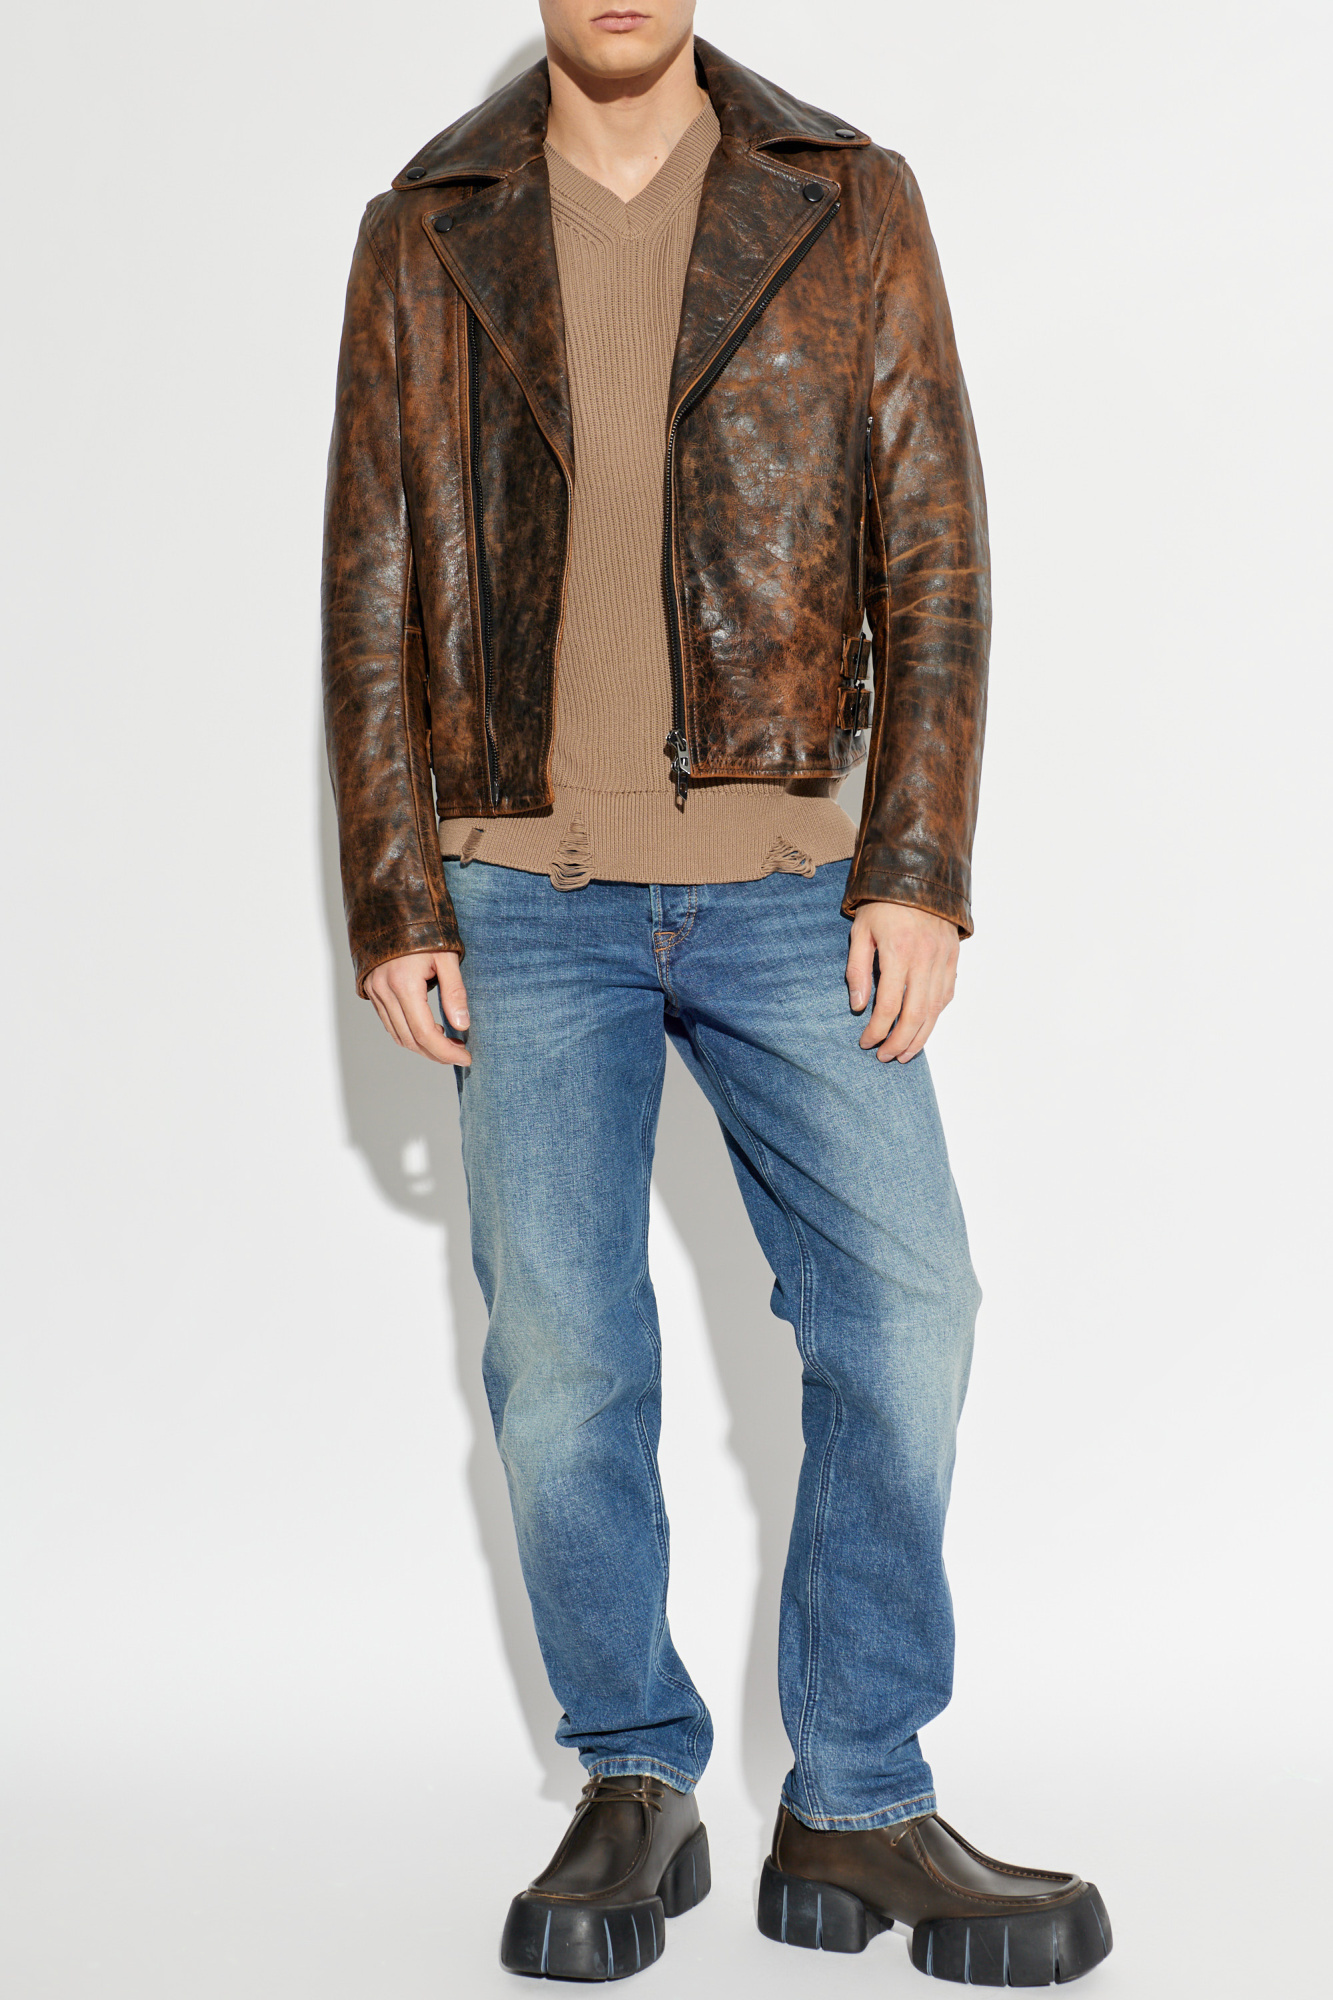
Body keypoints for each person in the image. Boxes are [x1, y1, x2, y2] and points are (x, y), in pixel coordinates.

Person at [321, 2, 1112, 1984]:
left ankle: (855, 1794)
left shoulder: (841, 196)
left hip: (781, 881)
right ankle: (630, 1774)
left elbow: (934, 550)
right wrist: (395, 890)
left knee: (906, 1306)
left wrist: (914, 862)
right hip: (518, 890)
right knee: (565, 1361)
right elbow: (372, 569)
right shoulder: (429, 220)